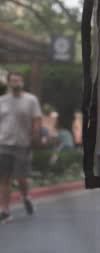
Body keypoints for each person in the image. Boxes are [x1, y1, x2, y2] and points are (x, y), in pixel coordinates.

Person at [0, 72, 42, 223]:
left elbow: (37, 119)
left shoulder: (31, 100)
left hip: (23, 144)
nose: (16, 82)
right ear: (8, 83)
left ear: (22, 82)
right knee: (4, 179)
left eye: (18, 80)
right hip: (3, 144)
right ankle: (5, 210)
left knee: (21, 178)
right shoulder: (2, 101)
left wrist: (35, 136)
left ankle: (25, 196)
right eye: (13, 80)